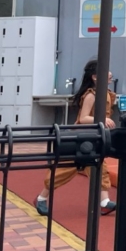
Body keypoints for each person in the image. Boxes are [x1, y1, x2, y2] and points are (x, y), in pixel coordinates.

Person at [36, 59, 116, 216]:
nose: (110, 73)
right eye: (106, 70)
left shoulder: (104, 94)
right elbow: (83, 118)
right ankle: (41, 198)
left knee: (100, 168)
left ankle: (104, 202)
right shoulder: (91, 96)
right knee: (64, 169)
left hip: (94, 138)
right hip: (81, 138)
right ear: (95, 77)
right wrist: (101, 120)